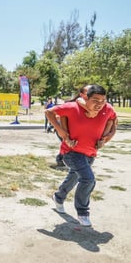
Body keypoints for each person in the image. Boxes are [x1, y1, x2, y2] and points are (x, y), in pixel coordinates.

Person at [45, 84, 117, 227]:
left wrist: (107, 137)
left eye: (102, 101)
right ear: (86, 97)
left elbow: (114, 121)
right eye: (95, 100)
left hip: (90, 153)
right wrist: (60, 131)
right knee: (88, 180)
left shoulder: (107, 109)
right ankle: (83, 212)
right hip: (71, 152)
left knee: (74, 177)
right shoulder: (73, 107)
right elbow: (49, 112)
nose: (99, 104)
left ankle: (58, 197)